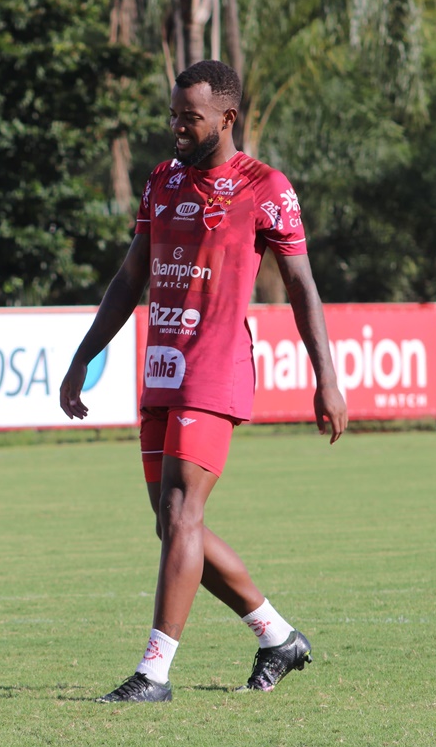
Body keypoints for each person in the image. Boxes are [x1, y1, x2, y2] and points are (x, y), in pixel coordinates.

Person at [59, 60, 348, 703]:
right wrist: (84, 356)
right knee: (172, 525)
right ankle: (277, 636)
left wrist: (327, 378)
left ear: (227, 117)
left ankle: (154, 673)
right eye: (173, 115)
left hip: (215, 370)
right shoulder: (161, 180)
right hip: (161, 367)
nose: (177, 127)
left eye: (189, 117)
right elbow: (130, 276)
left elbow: (303, 287)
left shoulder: (265, 187)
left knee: (183, 514)